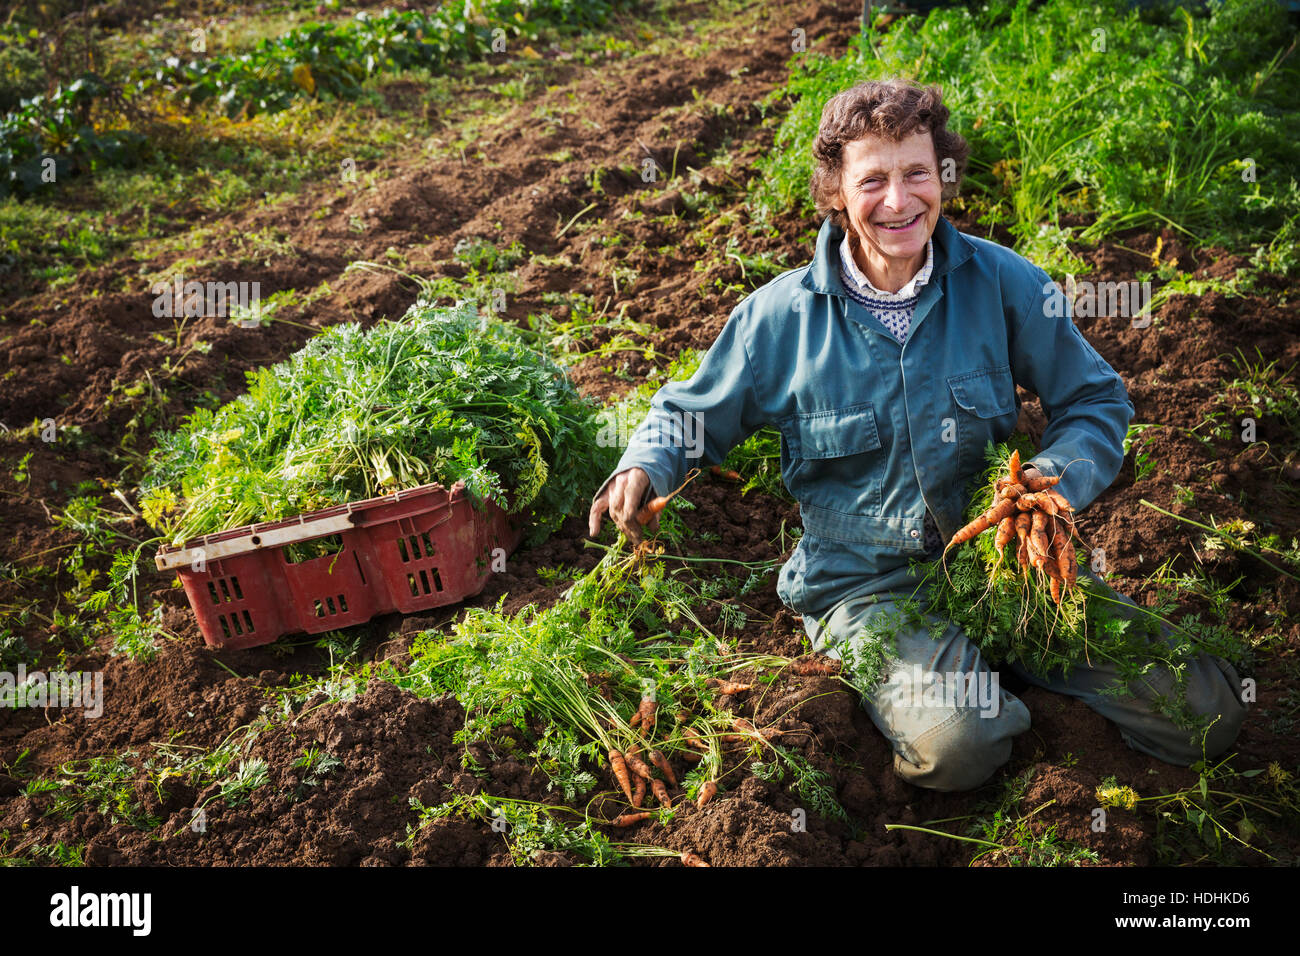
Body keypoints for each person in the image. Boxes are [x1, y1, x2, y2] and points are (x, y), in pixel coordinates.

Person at [587, 79, 1247, 792]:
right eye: (873, 180)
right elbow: (694, 412)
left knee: (1204, 711)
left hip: (1008, 563)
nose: (898, 202)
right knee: (959, 747)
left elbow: (1095, 398)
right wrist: (646, 465)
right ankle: (954, 702)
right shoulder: (780, 319)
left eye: (917, 174)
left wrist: (1053, 481)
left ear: (943, 177)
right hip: (869, 587)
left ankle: (1002, 666)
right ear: (836, 190)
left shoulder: (1002, 283)